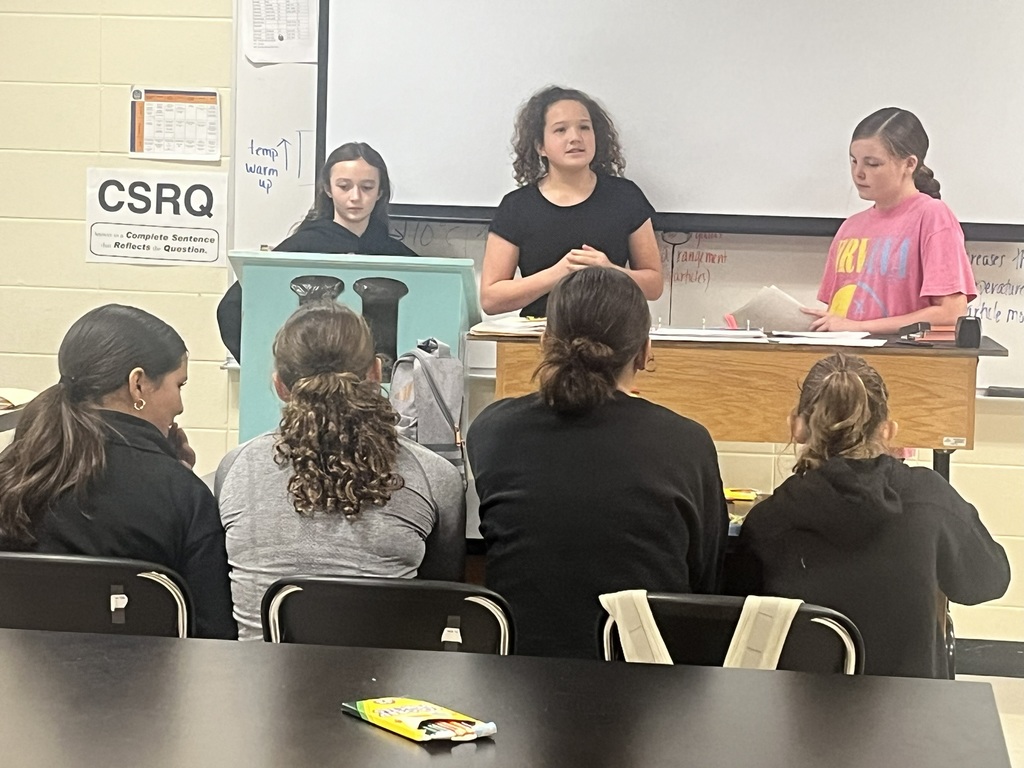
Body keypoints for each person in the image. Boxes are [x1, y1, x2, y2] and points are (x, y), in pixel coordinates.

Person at [467, 268, 728, 658]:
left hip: (515, 683)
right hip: (647, 690)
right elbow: (706, 580)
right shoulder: (687, 442)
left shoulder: (490, 428)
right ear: (644, 351)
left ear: (544, 341)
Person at [737, 353, 1010, 678]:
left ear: (797, 427)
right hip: (910, 715)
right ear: (887, 430)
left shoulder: (767, 522)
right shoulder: (930, 498)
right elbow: (989, 581)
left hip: (801, 717)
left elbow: (740, 619)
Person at [215, 300, 466, 640]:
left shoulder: (234, 468)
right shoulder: (435, 477)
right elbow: (441, 608)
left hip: (255, 686)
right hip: (384, 690)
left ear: (280, 385)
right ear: (377, 372)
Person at [0, 305, 235, 639]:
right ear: (137, 384)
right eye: (179, 385)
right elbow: (215, 636)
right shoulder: (183, 495)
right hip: (149, 689)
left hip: (18, 686)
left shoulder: (12, 473)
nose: (180, 405)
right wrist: (176, 478)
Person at [216, 142, 417, 361]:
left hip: (380, 385)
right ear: (328, 189)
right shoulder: (299, 248)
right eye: (344, 186)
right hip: (309, 383)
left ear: (380, 192)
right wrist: (265, 367)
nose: (355, 197)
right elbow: (231, 308)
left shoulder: (398, 257)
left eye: (367, 187)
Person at [480, 86, 663, 318]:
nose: (575, 137)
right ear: (540, 146)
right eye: (560, 130)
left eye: (584, 127)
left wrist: (610, 271)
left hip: (613, 334)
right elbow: (491, 299)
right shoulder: (517, 207)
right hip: (541, 338)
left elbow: (654, 285)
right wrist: (558, 273)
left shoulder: (625, 197)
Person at [805, 108, 976, 334]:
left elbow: (951, 313)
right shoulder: (850, 227)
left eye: (873, 164)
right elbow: (837, 313)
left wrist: (859, 327)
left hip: (904, 362)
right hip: (849, 362)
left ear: (909, 164)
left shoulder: (932, 216)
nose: (858, 173)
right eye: (854, 161)